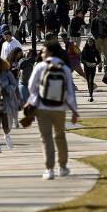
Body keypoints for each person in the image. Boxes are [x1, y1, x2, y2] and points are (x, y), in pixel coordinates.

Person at [26, 43, 78, 180]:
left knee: (46, 138)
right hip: (60, 108)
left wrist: (34, 101)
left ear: (49, 52)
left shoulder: (40, 67)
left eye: (43, 51)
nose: (41, 54)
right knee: (60, 136)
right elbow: (70, 91)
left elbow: (31, 87)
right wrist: (74, 110)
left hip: (42, 108)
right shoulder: (65, 68)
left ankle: (49, 169)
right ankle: (63, 167)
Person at [81, 37, 101, 102]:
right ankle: (90, 93)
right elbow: (81, 59)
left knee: (90, 81)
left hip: (92, 67)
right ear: (87, 42)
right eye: (89, 42)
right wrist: (86, 63)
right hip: (86, 67)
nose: (90, 43)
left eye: (91, 42)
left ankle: (91, 95)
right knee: (88, 81)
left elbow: (99, 60)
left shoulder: (95, 50)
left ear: (93, 43)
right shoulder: (84, 50)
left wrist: (95, 64)